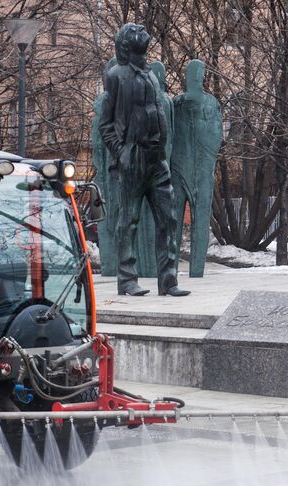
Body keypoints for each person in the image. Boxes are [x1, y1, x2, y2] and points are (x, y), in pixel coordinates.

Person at [98, 23, 189, 297]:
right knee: (129, 220)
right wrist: (120, 152)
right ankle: (127, 280)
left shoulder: (150, 75)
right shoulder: (116, 76)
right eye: (133, 31)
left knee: (169, 218)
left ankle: (168, 280)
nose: (140, 29)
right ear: (126, 44)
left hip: (156, 159)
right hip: (133, 156)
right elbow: (105, 123)